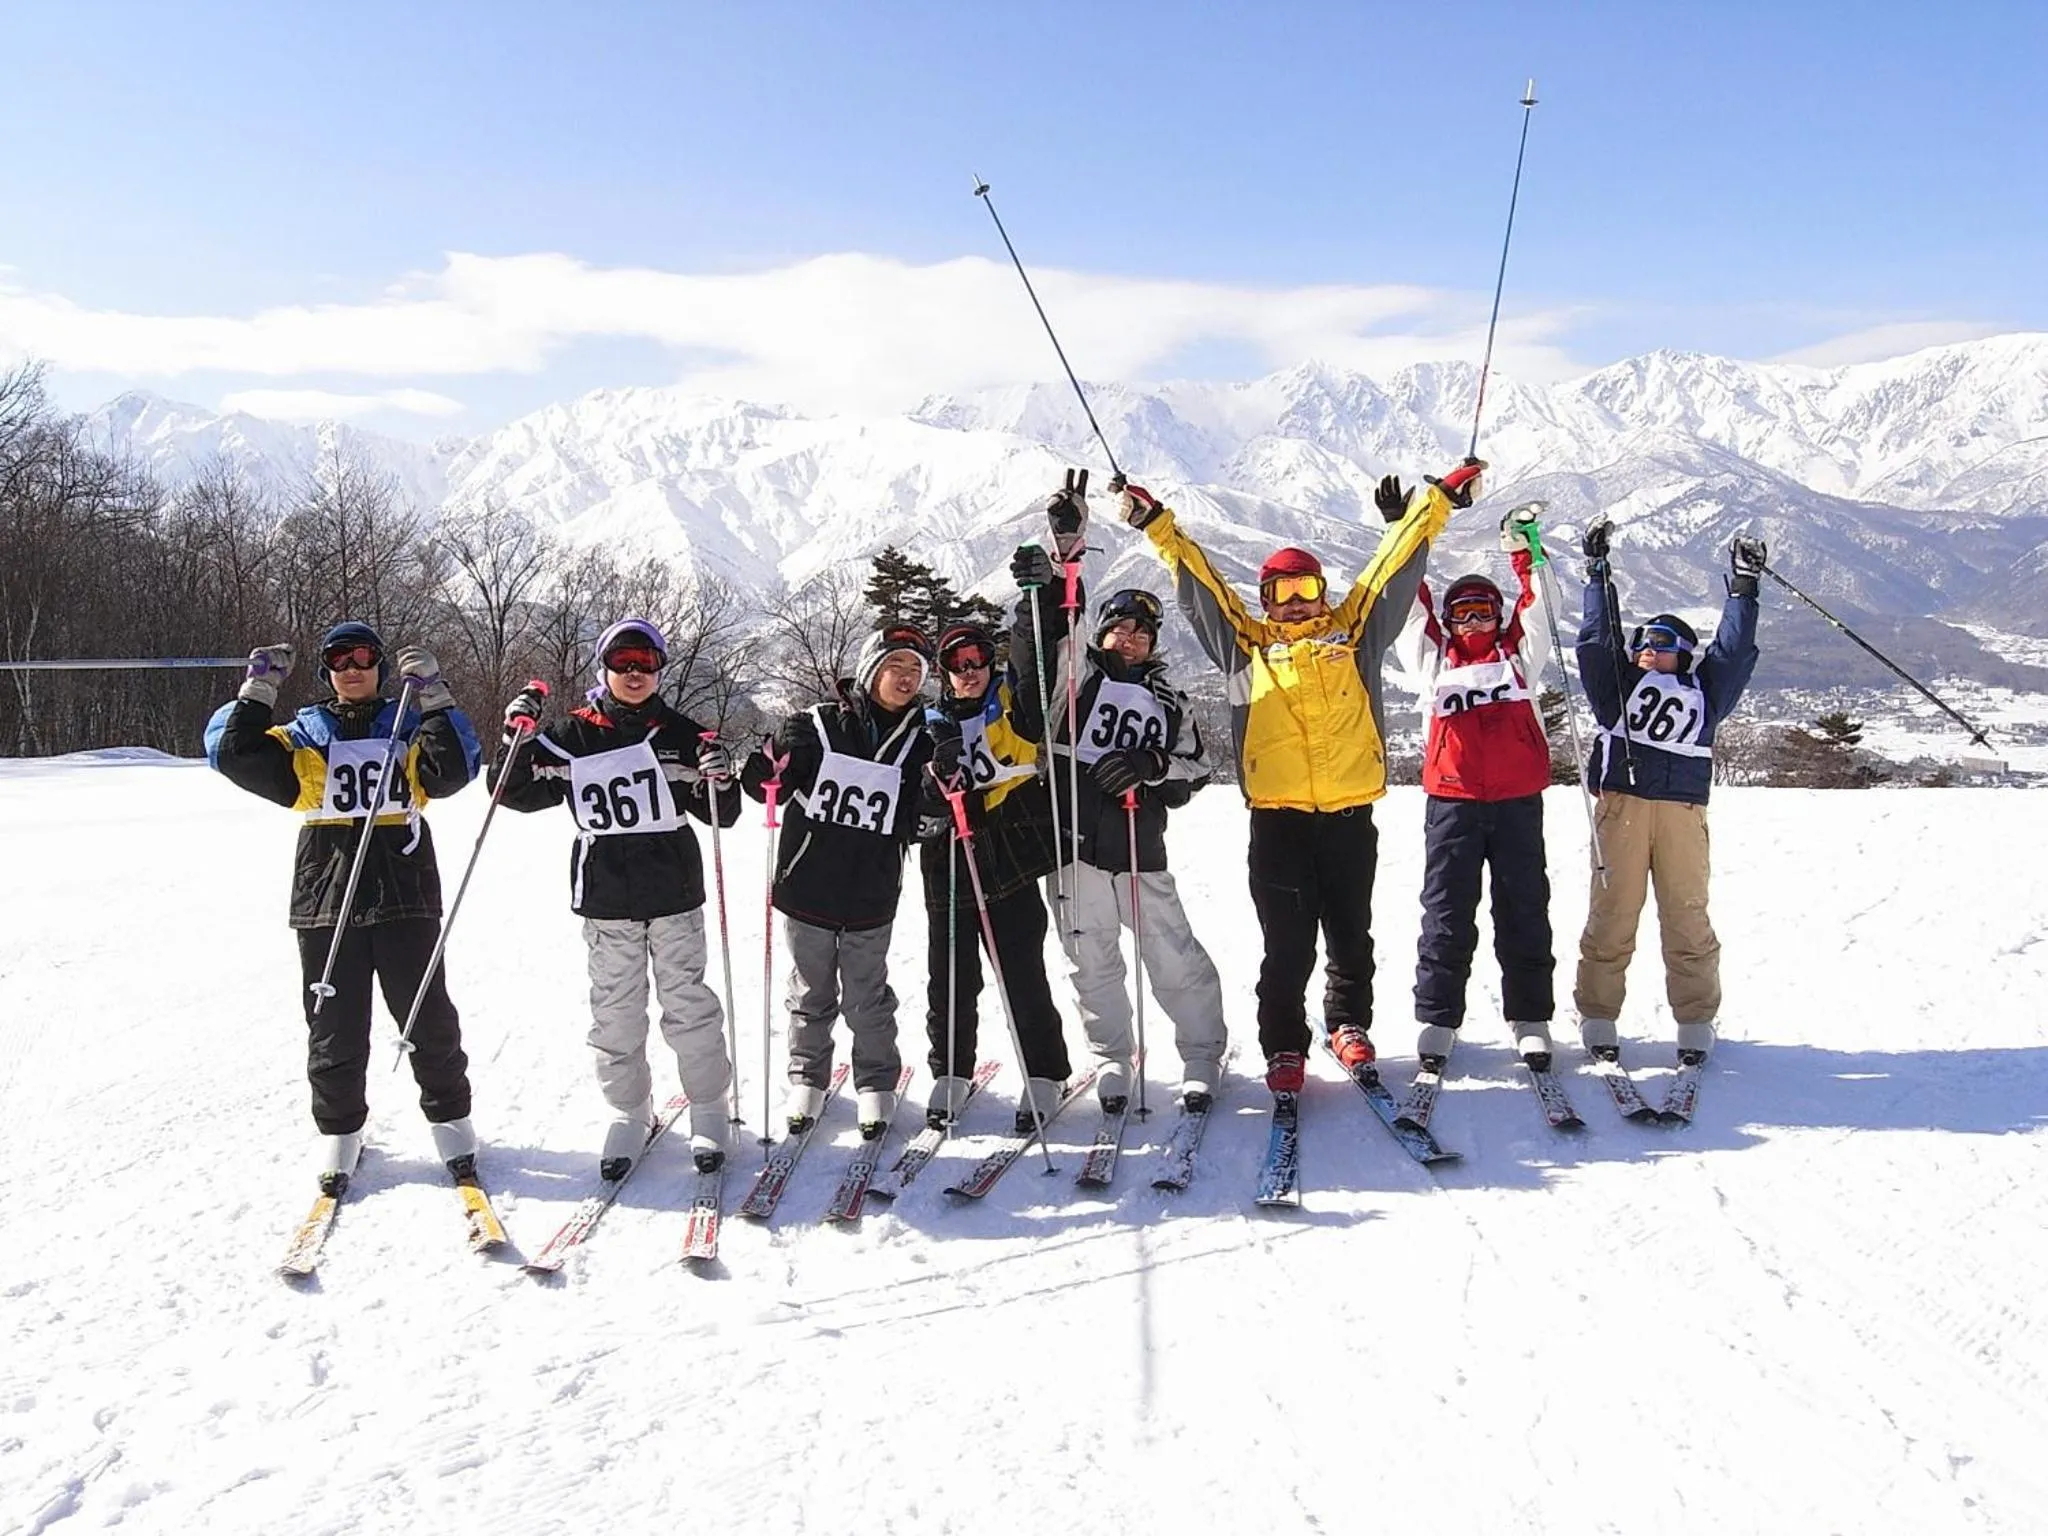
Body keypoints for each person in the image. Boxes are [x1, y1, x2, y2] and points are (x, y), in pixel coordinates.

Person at [1114, 457, 1485, 1095]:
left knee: (1350, 934)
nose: (1293, 606)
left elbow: (1391, 570)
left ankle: (1348, 1024)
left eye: (1305, 591)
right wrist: (1156, 524)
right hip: (1278, 822)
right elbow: (1201, 585)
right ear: (1263, 601)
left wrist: (1439, 502)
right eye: (1280, 594)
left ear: (1322, 594)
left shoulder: (1354, 633)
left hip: (1348, 817)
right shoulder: (1246, 645)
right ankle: (1285, 1044)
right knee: (1286, 947)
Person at [204, 621, 483, 1193]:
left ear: (380, 666)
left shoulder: (405, 719)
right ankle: (339, 1128)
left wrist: (434, 695)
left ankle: (451, 1119)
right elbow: (233, 754)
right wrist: (258, 691)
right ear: (327, 671)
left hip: (402, 883)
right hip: (327, 886)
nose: (351, 668)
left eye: (363, 657)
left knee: (425, 1010)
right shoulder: (306, 731)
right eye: (338, 659)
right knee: (333, 1018)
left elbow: (455, 771)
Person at [489, 618, 742, 1179]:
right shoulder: (572, 734)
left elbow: (724, 816)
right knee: (616, 1013)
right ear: (603, 668)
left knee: (689, 1006)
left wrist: (721, 779)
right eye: (623, 663)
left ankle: (708, 1106)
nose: (634, 673)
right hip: (605, 895)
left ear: (660, 670)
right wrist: (517, 737)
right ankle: (629, 1110)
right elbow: (514, 792)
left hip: (673, 890)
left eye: (646, 664)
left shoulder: (683, 733)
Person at [1007, 561, 1228, 1115]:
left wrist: (1151, 762)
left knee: (1173, 952)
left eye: (1140, 634)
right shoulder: (1078, 679)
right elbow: (1040, 650)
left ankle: (1201, 1053)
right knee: (1091, 958)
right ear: (1102, 632)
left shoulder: (1170, 699)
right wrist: (1051, 585)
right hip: (1074, 845)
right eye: (1118, 630)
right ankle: (1112, 1056)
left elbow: (1195, 769)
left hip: (1139, 848)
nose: (1128, 640)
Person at [1572, 525, 1765, 1060]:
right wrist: (1598, 572)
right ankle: (1598, 1013)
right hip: (1623, 808)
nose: (1647, 651)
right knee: (1613, 914)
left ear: (1683, 654)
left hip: (1682, 812)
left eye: (1662, 644)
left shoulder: (1705, 692)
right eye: (1642, 644)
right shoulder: (1619, 689)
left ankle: (1696, 1016)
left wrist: (1743, 588)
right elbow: (1597, 639)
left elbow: (1733, 650)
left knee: (1686, 914)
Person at [741, 622, 934, 1137]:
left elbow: (919, 816)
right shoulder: (818, 725)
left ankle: (875, 1080)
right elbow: (764, 788)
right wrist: (769, 762)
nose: (906, 678)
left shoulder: (922, 740)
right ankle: (808, 1075)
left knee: (867, 995)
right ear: (871, 670)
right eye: (895, 666)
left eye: (915, 670)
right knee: (811, 992)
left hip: (871, 891)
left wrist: (941, 790)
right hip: (809, 887)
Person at [1402, 510, 1560, 1067]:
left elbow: (1541, 610)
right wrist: (1409, 534)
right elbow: (1408, 604)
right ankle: (1438, 1017)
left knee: (1524, 906)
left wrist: (1526, 553)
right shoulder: (1434, 661)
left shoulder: (1517, 659)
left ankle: (1531, 1014)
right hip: (1454, 801)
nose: (1472, 622)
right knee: (1447, 912)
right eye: (1461, 614)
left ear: (1497, 616)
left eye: (1482, 612)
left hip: (1517, 799)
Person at [915, 620, 1068, 1132]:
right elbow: (915, 798)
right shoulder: (929, 722)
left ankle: (1045, 1070)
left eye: (977, 659)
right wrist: (937, 786)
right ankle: (953, 1070)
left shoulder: (1012, 706)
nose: (969, 671)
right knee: (951, 974)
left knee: (1021, 972)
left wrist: (1035, 609)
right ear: (944, 673)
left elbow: (1034, 668)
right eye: (958, 664)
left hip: (1010, 858)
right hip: (949, 863)